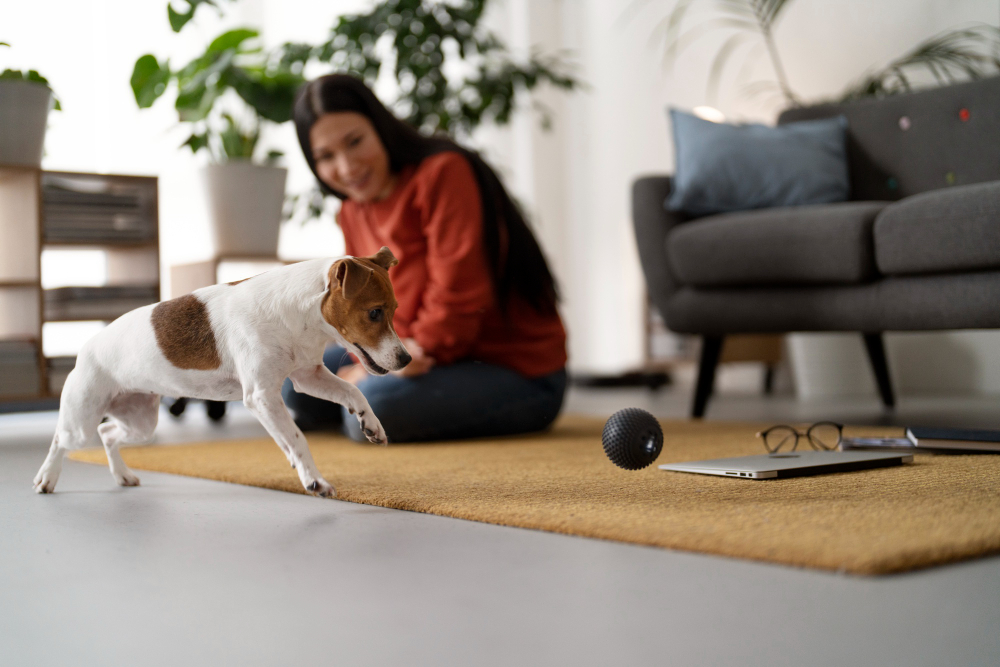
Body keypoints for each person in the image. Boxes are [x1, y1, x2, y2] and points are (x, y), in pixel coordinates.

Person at [283, 73, 568, 442]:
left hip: (514, 370)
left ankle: (355, 407)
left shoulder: (444, 172)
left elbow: (460, 299)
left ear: (380, 127)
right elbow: (355, 308)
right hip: (414, 359)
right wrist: (368, 362)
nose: (347, 166)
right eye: (326, 156)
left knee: (371, 409)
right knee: (296, 387)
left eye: (355, 142)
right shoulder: (351, 211)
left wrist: (379, 369)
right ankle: (354, 402)